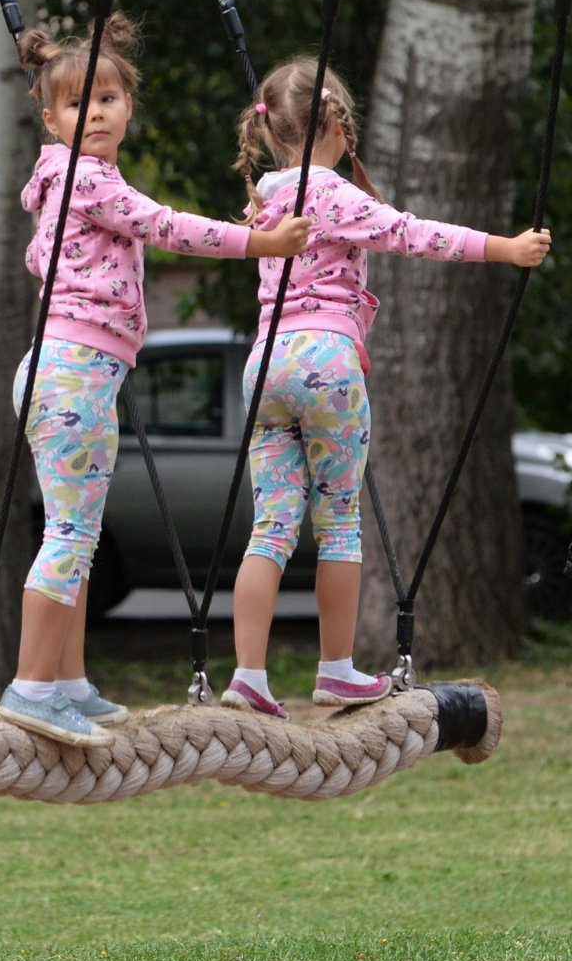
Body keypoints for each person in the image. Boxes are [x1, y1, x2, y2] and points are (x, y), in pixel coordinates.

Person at [0, 14, 312, 747]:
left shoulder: (76, 183)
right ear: (51, 120)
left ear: (128, 106)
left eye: (107, 98)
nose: (96, 113)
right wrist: (260, 242)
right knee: (71, 535)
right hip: (72, 373)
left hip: (78, 374)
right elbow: (169, 227)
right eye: (78, 104)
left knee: (74, 532)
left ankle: (67, 681)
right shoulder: (83, 178)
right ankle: (31, 685)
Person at [220, 56, 553, 721]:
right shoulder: (332, 194)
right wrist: (504, 248)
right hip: (326, 361)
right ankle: (336, 668)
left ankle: (248, 673)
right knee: (339, 521)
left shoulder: (265, 198)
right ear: (340, 125)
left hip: (265, 367)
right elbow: (413, 234)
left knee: (272, 527)